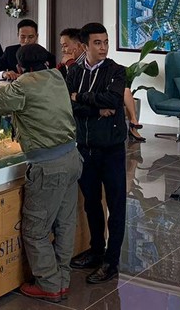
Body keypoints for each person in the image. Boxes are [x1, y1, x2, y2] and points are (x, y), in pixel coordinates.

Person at [0, 44, 81, 302]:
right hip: (72, 157)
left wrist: (4, 85)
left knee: (35, 229)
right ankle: (62, 280)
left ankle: (49, 284)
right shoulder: (57, 77)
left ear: (19, 67)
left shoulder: (23, 85)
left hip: (47, 167)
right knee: (65, 224)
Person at [65, 22, 127, 285]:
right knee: (91, 202)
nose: (103, 48)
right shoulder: (74, 71)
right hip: (84, 147)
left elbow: (113, 100)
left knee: (116, 205)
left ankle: (111, 261)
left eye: (106, 42)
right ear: (84, 46)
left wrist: (80, 98)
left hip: (111, 149)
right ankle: (96, 250)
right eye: (97, 43)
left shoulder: (116, 71)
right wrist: (93, 107)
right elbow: (67, 105)